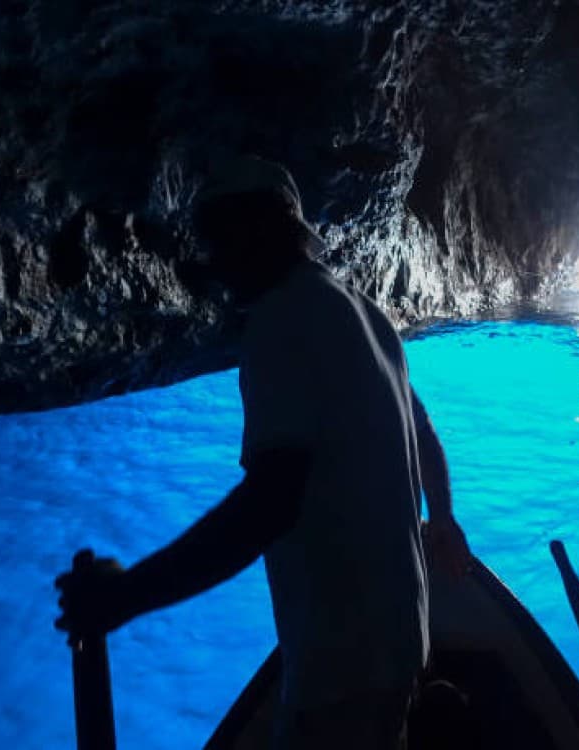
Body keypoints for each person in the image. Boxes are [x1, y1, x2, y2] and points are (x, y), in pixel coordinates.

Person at [54, 155, 472, 749]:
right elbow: (423, 432)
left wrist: (127, 597)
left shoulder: (282, 320)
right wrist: (444, 519)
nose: (214, 263)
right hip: (403, 637)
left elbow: (271, 501)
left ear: (257, 228)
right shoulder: (367, 315)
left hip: (342, 665)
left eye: (218, 238)